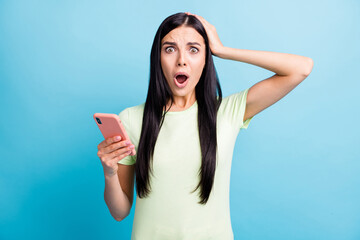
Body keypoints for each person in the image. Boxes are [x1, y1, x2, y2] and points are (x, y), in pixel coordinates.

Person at [96, 12, 313, 240]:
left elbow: (301, 68)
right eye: (170, 49)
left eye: (194, 49)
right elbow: (119, 212)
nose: (181, 60)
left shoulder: (227, 112)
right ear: (157, 58)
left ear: (206, 59)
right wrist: (109, 173)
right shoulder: (131, 119)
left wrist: (222, 50)